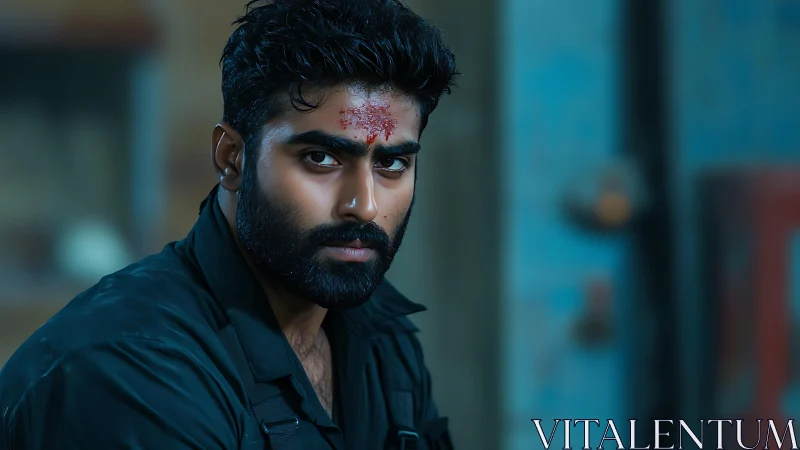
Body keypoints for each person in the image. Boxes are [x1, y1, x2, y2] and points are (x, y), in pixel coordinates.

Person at [0, 0, 458, 448]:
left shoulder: (382, 338)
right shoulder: (130, 371)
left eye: (392, 164)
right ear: (232, 157)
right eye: (321, 158)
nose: (364, 205)